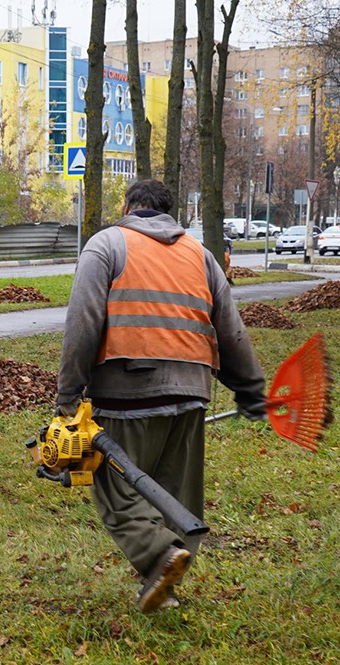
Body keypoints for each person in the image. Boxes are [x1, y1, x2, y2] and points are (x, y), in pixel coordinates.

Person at [55, 179, 267, 613]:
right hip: (192, 392)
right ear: (171, 213)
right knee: (172, 492)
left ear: (128, 208)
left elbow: (82, 324)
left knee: (115, 488)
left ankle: (158, 557)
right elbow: (231, 329)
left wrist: (68, 396)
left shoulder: (107, 245)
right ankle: (163, 584)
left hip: (127, 390)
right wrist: (250, 390)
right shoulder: (200, 255)